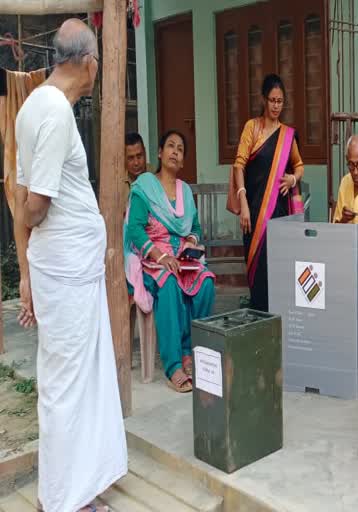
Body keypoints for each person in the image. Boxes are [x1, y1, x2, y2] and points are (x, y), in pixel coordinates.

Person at [13, 18, 127, 512]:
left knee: (76, 378)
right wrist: (31, 240)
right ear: (89, 62)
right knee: (69, 383)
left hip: (61, 269)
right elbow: (31, 203)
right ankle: (63, 499)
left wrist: (24, 272)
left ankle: (74, 488)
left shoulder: (32, 104)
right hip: (66, 269)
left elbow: (16, 192)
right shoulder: (56, 112)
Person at [124, 130, 216, 392]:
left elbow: (196, 227)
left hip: (182, 260)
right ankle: (174, 364)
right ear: (160, 153)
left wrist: (191, 240)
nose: (175, 151)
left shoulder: (185, 191)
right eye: (171, 146)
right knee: (170, 285)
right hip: (153, 260)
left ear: (183, 160)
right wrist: (161, 256)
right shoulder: (144, 186)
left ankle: (192, 353)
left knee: (206, 283)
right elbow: (134, 230)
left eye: (180, 149)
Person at [231, 74, 304, 311]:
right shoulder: (252, 128)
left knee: (278, 270)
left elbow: (299, 165)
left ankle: (279, 322)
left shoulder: (287, 135)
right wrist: (242, 203)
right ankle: (259, 320)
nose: (275, 106)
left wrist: (293, 178)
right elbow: (239, 165)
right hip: (252, 213)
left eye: (280, 101)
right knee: (257, 272)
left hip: (279, 214)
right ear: (264, 100)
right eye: (272, 100)